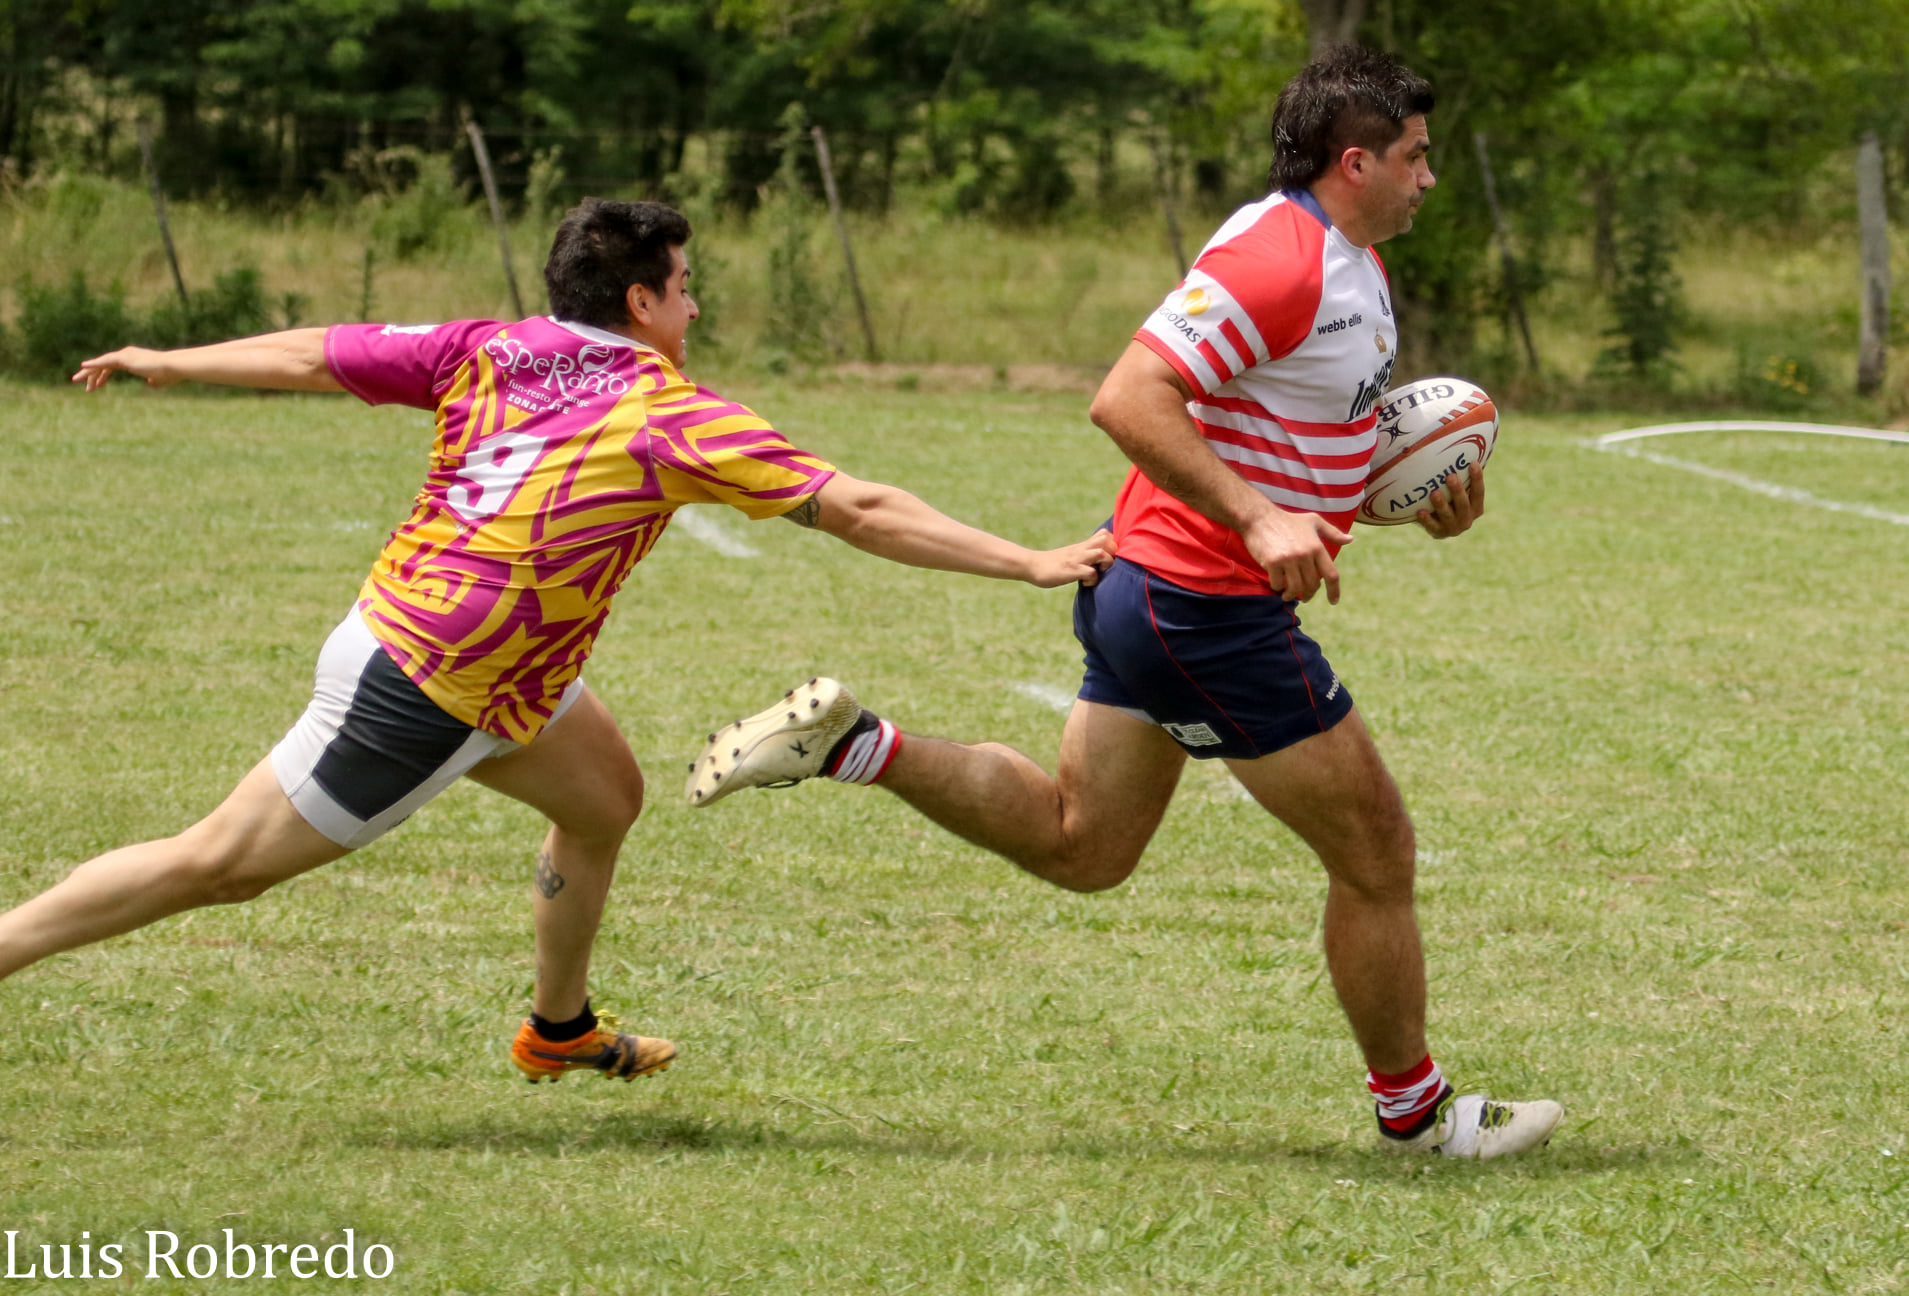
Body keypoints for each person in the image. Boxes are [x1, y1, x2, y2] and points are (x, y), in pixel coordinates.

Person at [0, 198, 1114, 1084]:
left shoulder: (489, 347)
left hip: (480, 665)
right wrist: (1026, 560)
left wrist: (171, 359)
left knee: (603, 801)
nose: (695, 306)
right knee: (218, 867)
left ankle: (558, 1029)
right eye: (686, 286)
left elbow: (312, 355)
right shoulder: (671, 414)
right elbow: (859, 508)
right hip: (429, 685)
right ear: (640, 299)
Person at [688, 46, 1562, 1159]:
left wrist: (1400, 503)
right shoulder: (1280, 258)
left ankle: (856, 745)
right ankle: (1420, 1116)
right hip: (1202, 608)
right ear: (1355, 161)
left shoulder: (1351, 265)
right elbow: (1127, 397)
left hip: (1152, 595)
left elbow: (1290, 433)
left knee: (1084, 845)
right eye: (1415, 156)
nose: (1429, 176)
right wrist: (1257, 520)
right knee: (1377, 853)